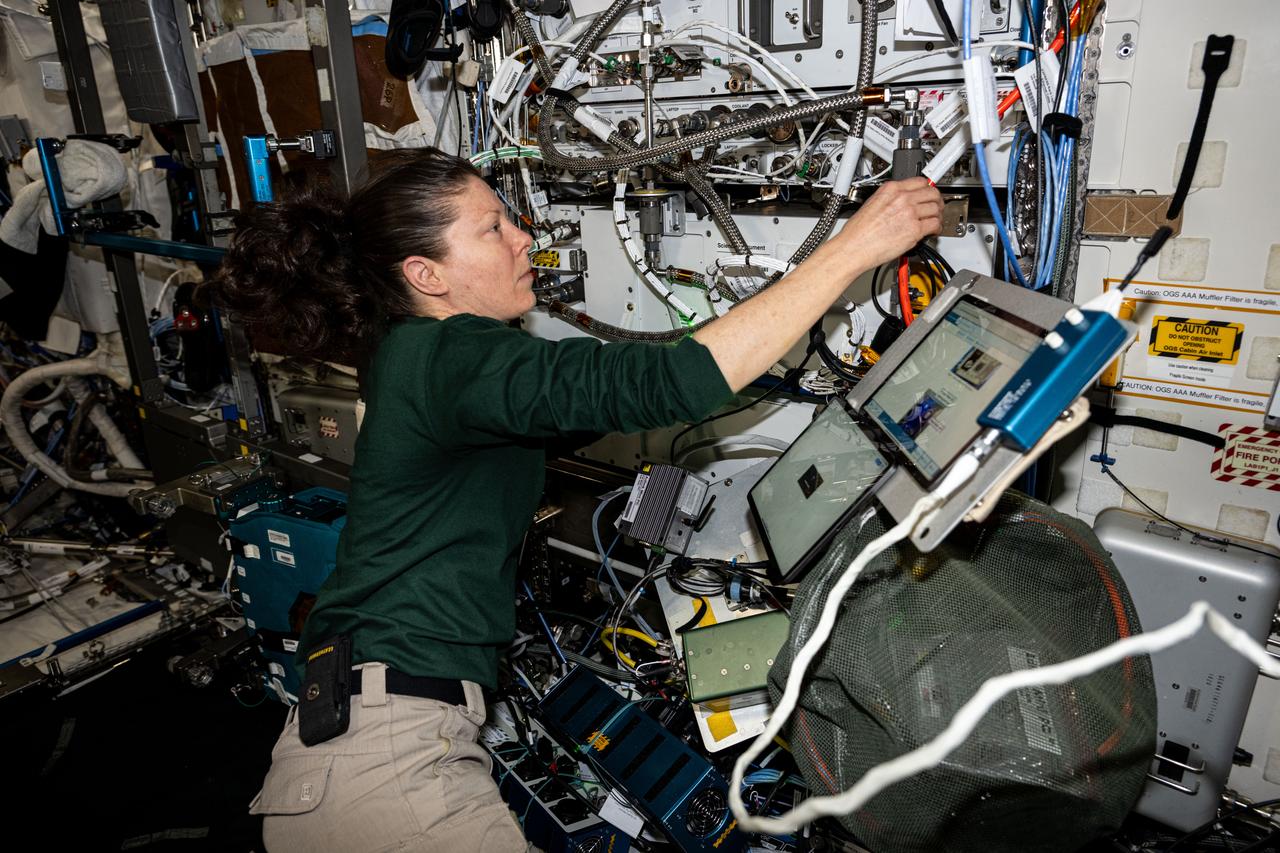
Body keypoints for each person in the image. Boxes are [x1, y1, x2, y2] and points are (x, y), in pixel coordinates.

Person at [210, 147, 942, 852]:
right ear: (425, 272)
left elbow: (584, 404)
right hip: (390, 762)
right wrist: (854, 247)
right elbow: (661, 382)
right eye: (492, 227)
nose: (523, 239)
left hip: (348, 731)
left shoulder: (406, 351)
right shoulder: (453, 355)